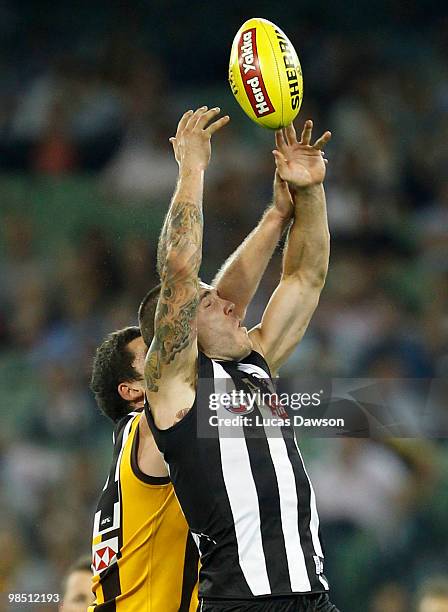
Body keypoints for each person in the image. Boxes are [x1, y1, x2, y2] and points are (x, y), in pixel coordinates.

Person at [88, 108, 296, 610]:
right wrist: (192, 170)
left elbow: (213, 312)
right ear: (134, 390)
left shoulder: (141, 445)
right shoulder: (155, 427)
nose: (174, 351)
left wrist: (275, 218)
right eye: (153, 353)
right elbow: (187, 297)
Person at [140, 106, 339, 610]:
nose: (230, 303)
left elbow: (304, 278)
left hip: (312, 596)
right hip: (241, 602)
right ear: (180, 330)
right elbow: (181, 273)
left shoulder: (255, 365)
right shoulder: (177, 391)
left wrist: (310, 193)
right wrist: (191, 169)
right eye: (210, 302)